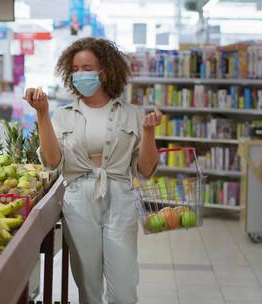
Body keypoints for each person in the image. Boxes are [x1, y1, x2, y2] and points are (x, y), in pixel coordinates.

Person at [23, 38, 162, 304]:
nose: (79, 74)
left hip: (120, 195)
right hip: (79, 198)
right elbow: (52, 161)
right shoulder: (63, 115)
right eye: (74, 69)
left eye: (87, 67)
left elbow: (144, 169)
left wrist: (148, 132)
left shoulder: (132, 114)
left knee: (124, 287)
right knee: (88, 286)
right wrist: (42, 115)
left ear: (105, 71)